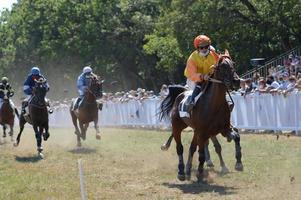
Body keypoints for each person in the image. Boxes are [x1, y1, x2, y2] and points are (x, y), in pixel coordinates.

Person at [184, 34, 219, 111]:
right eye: (201, 47)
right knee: (198, 87)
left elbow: (219, 65)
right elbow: (191, 74)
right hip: (194, 79)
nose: (204, 49)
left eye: (206, 47)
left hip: (210, 78)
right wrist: (202, 76)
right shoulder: (192, 58)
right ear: (197, 48)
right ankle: (191, 102)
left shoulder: (214, 54)